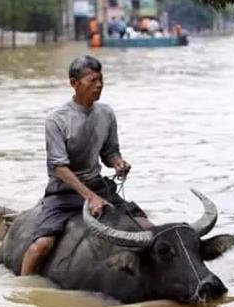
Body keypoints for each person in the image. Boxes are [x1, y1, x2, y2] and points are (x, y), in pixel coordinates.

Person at [20, 56, 153, 276]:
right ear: (74, 83)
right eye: (92, 80)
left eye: (101, 79)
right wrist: (89, 197)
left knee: (147, 227)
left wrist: (117, 162)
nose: (99, 85)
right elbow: (58, 167)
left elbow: (109, 151)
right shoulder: (57, 119)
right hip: (63, 193)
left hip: (99, 187)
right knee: (41, 245)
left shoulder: (106, 113)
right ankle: (22, 290)